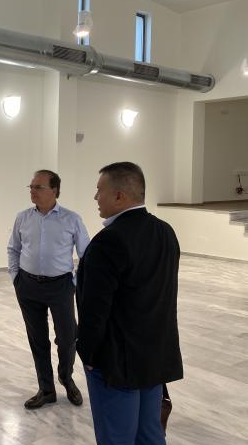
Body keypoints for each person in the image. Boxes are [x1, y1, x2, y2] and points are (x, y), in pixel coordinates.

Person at [76, 162, 183, 444]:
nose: (95, 197)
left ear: (119, 196)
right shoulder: (165, 232)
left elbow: (94, 309)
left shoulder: (108, 242)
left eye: (99, 190)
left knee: (116, 437)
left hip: (116, 364)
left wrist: (88, 354)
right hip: (154, 357)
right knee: (150, 435)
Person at [7, 169, 90, 409]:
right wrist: (16, 277)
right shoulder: (23, 218)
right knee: (37, 339)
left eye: (38, 187)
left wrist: (74, 282)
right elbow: (13, 249)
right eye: (31, 187)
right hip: (28, 285)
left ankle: (66, 377)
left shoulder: (71, 219)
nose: (32, 191)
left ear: (54, 190)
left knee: (67, 337)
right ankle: (46, 389)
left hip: (60, 286)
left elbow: (86, 255)